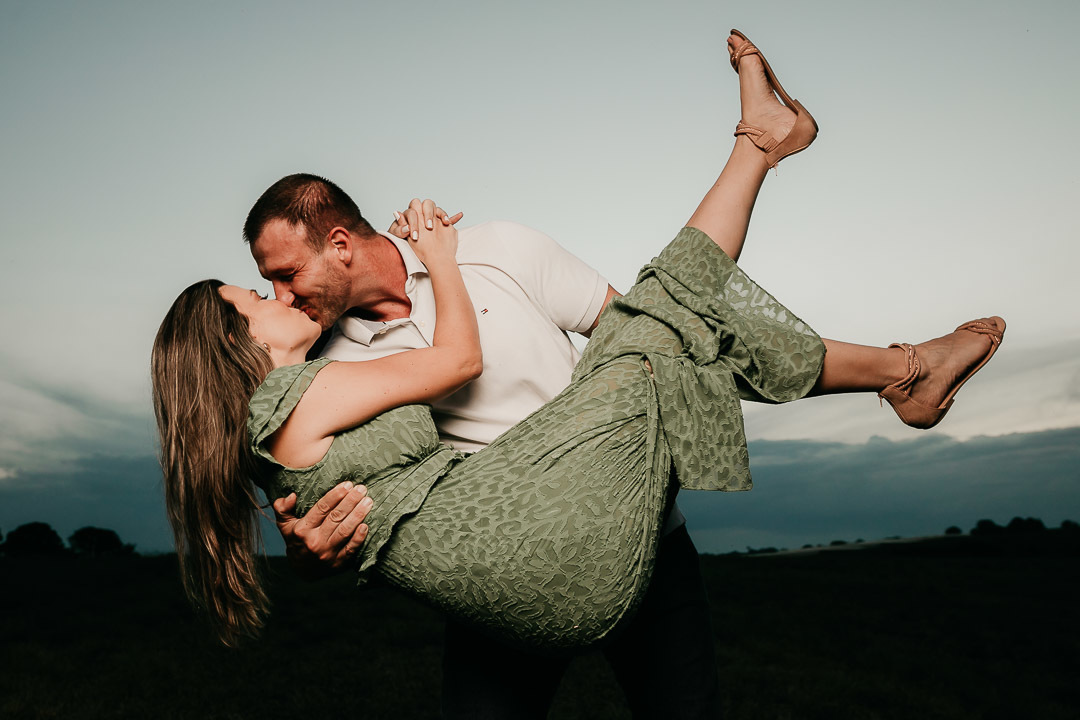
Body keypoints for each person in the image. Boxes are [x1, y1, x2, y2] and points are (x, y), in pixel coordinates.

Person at [151, 30, 1004, 718]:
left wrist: (448, 260)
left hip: (633, 518)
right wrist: (307, 554)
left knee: (666, 326)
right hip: (503, 556)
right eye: (264, 289)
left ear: (339, 244)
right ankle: (810, 221)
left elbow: (654, 335)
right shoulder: (320, 360)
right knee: (665, 313)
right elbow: (316, 485)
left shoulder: (498, 250)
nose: (281, 295)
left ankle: (900, 360)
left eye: (285, 274)